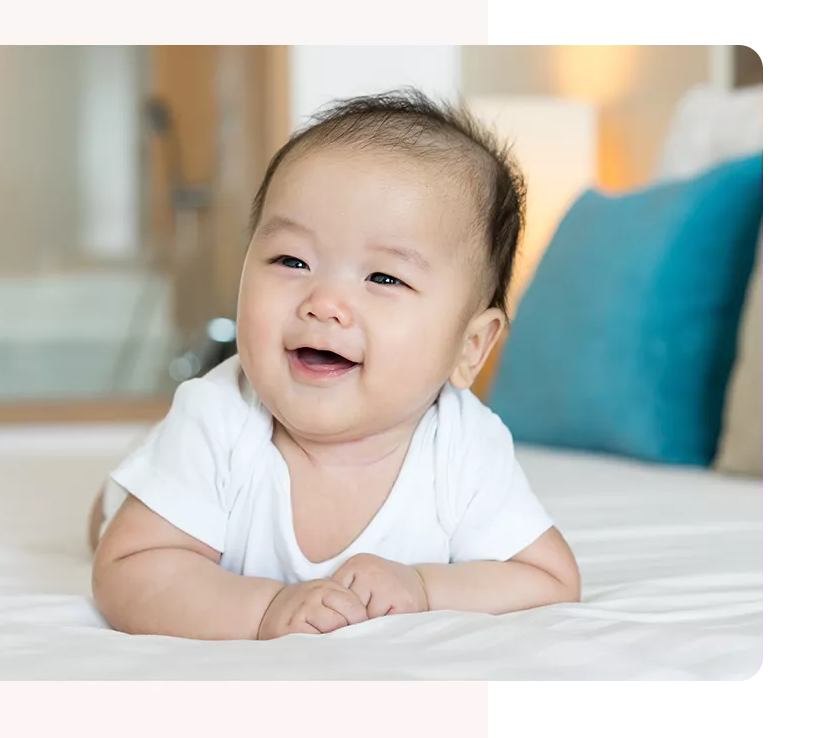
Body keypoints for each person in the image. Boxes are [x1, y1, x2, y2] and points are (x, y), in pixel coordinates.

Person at [90, 89, 580, 641]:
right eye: (291, 260)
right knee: (118, 519)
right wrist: (268, 608)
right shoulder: (218, 416)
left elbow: (548, 578)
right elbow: (127, 568)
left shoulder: (464, 446)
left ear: (469, 347)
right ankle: (122, 490)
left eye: (384, 278)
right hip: (176, 470)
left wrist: (424, 588)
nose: (323, 301)